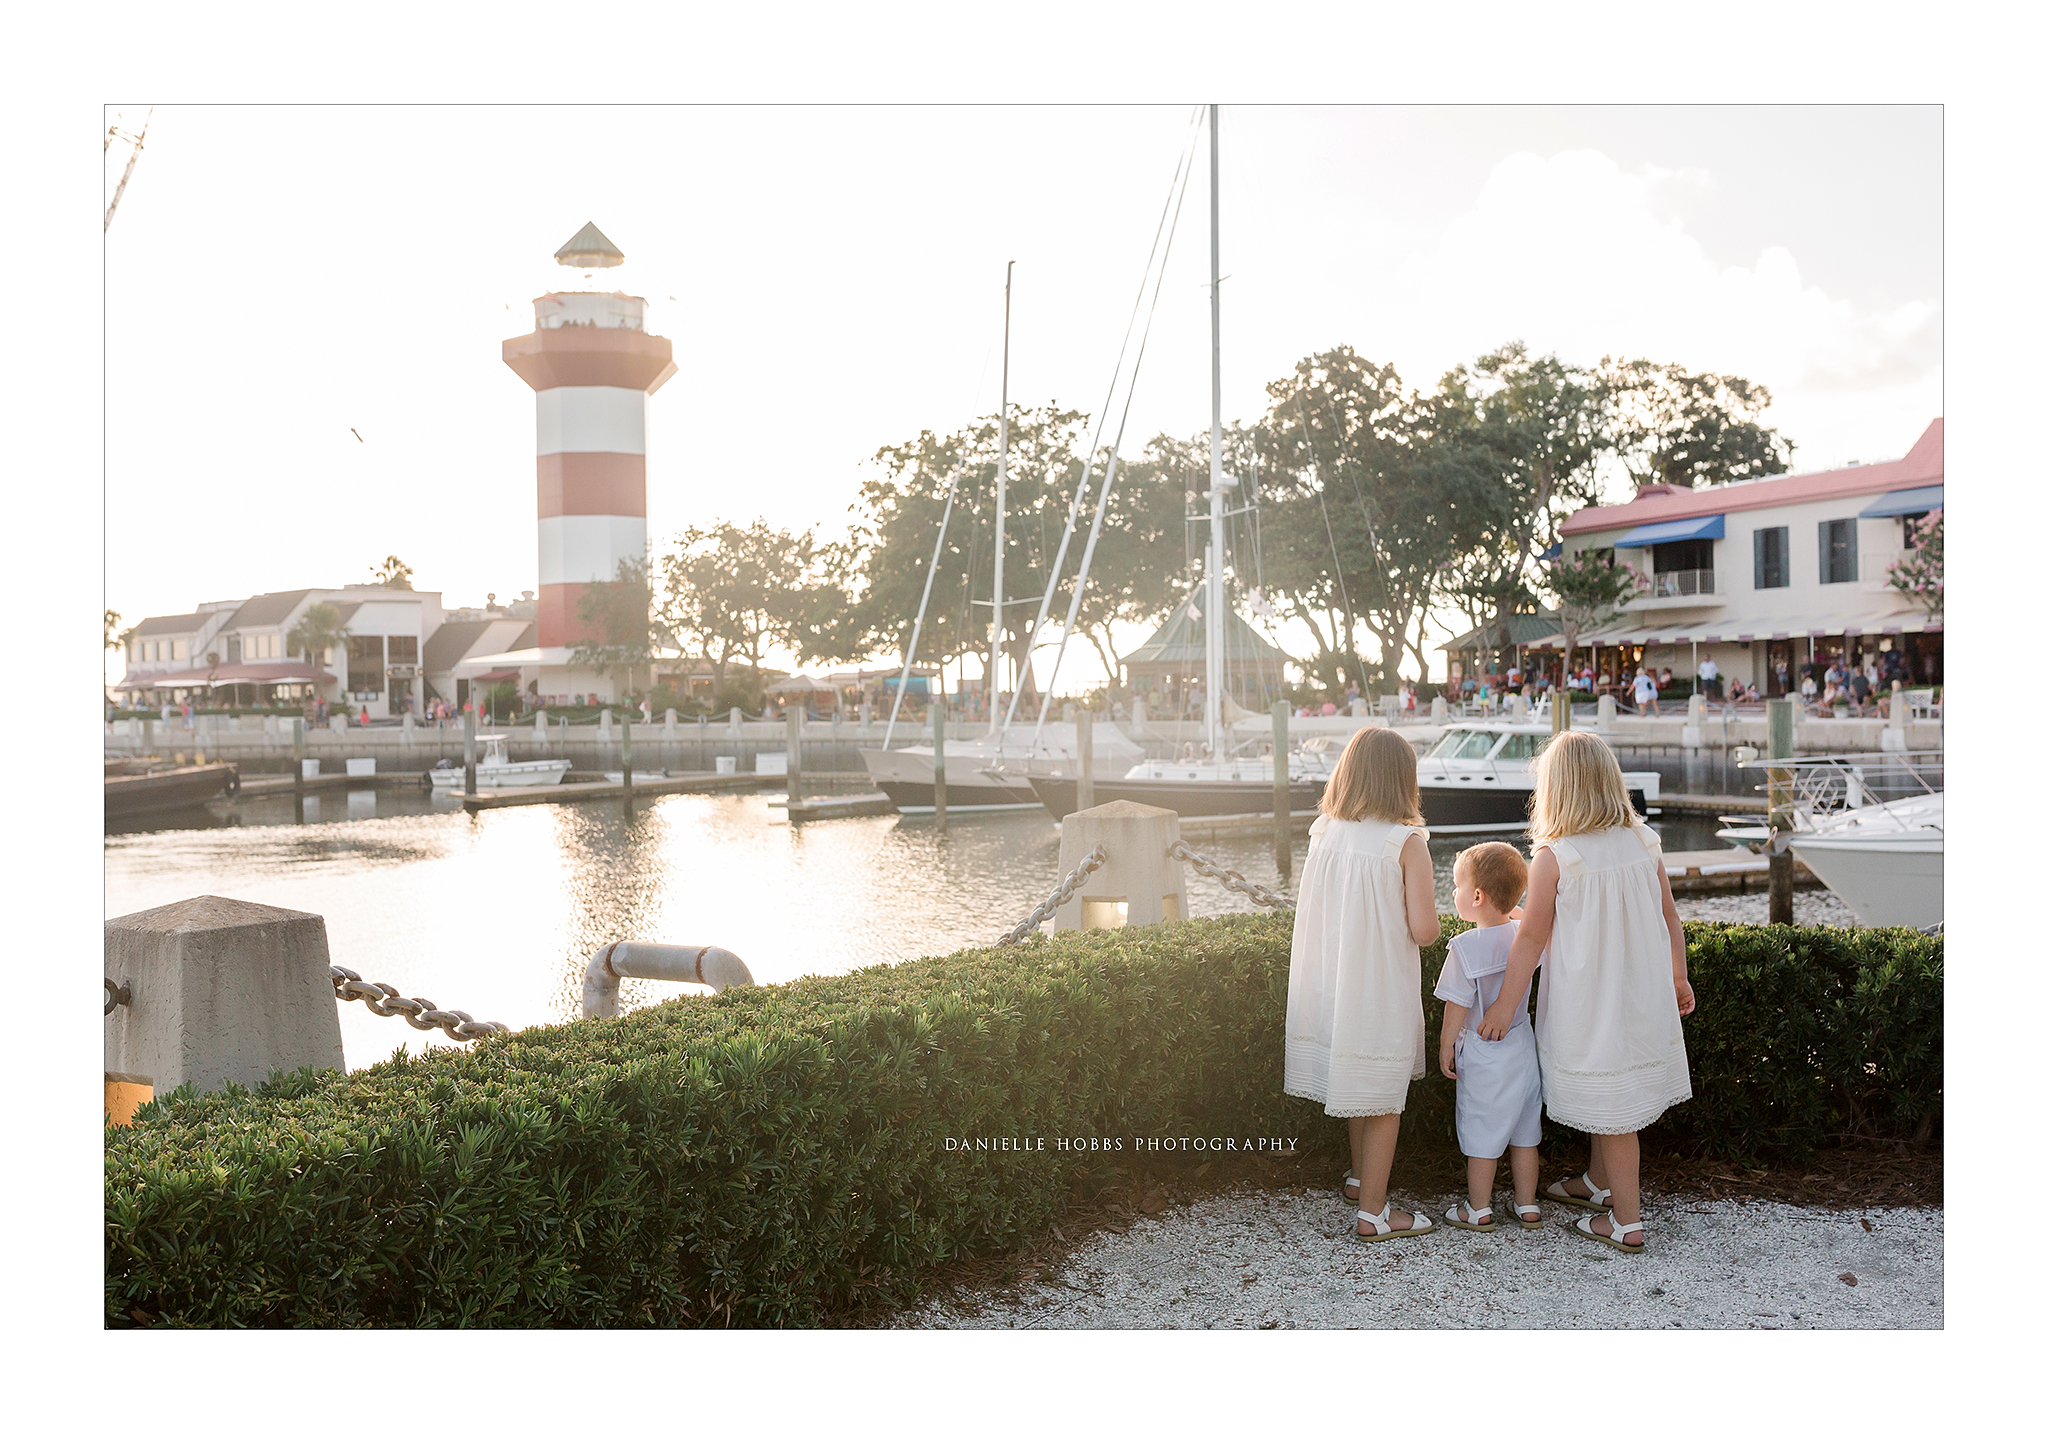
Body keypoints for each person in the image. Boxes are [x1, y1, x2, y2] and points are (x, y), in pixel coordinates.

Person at [1477, 731, 1696, 1251]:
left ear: (1555, 790)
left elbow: (1531, 937)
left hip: (1590, 998)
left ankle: (1626, 1221)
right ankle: (1599, 1184)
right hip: (1639, 995)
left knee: (1615, 1108)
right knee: (1611, 1089)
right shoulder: (1644, 840)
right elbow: (1670, 917)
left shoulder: (1556, 855)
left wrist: (1505, 1005)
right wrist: (1679, 975)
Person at [1284, 726, 1442, 1242]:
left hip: (1331, 978)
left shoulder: (1324, 830)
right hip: (1378, 985)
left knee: (1356, 1083)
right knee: (1383, 1096)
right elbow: (1424, 930)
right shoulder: (1406, 842)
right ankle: (1375, 1213)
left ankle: (1359, 1179)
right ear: (1404, 781)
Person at [1435, 842, 1542, 1233]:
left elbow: (1456, 1004)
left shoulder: (1464, 948)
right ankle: (1527, 1204)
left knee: (1482, 1131)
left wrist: (1446, 1045)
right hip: (1521, 1046)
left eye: (1457, 887)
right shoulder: (1524, 935)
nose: (1453, 894)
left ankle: (1478, 1209)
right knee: (1525, 1132)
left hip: (1483, 1052)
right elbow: (1525, 918)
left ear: (1477, 896)